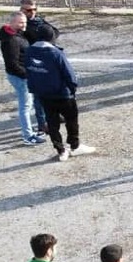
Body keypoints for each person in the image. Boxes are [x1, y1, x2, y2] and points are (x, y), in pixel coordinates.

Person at [22, 28, 91, 162]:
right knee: (71, 120)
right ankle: (74, 146)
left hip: (44, 95)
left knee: (52, 123)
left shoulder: (29, 51)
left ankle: (60, 150)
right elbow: (69, 74)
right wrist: (72, 88)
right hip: (63, 94)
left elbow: (29, 71)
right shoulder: (55, 53)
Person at [0, 12, 43, 146]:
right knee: (25, 106)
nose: (24, 25)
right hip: (21, 78)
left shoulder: (16, 35)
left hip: (22, 75)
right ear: (12, 23)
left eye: (24, 22)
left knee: (27, 104)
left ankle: (28, 132)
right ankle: (28, 136)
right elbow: (13, 65)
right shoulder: (11, 41)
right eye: (20, 22)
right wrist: (28, 76)